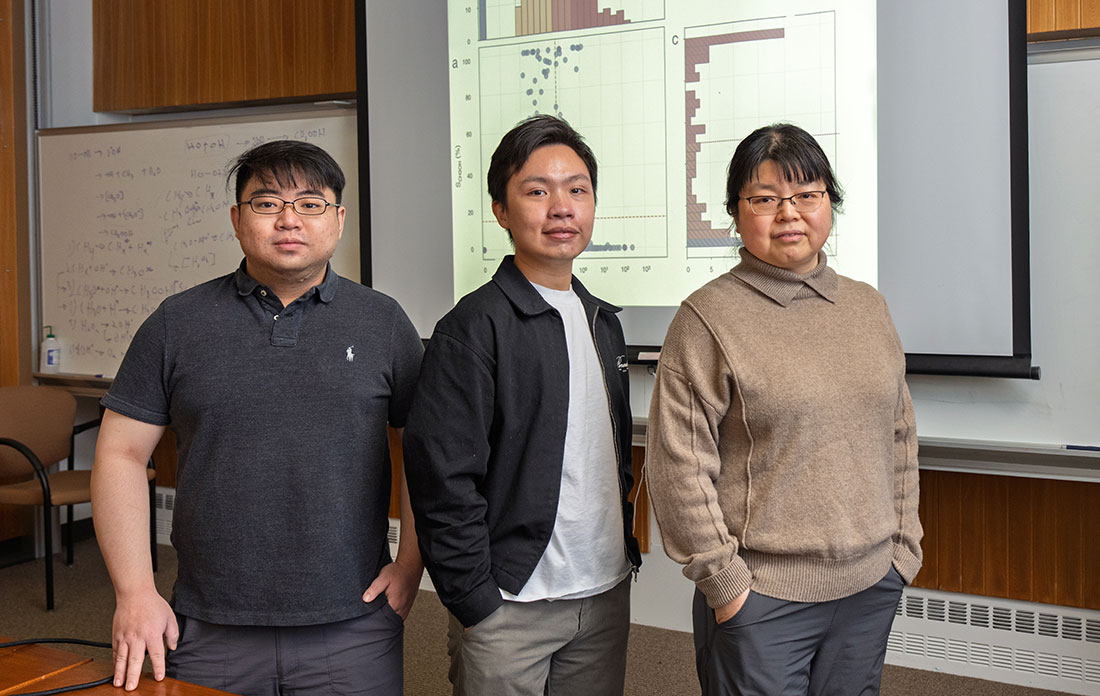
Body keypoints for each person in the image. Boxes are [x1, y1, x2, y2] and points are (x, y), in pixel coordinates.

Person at [91, 140, 424, 695]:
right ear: (237, 220)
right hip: (206, 623)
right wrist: (135, 592)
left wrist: (411, 563)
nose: (289, 219)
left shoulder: (383, 322)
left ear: (338, 220)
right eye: (266, 203)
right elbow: (121, 454)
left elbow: (422, 454)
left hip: (353, 619)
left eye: (310, 204)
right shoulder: (177, 322)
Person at [645, 123, 922, 696]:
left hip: (870, 585)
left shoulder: (868, 307)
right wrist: (728, 587)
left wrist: (902, 550)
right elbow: (678, 467)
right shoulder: (706, 318)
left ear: (830, 203)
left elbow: (899, 436)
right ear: (736, 212)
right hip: (762, 597)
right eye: (765, 199)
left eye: (806, 195)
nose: (788, 214)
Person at [402, 115, 642, 696]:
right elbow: (442, 479)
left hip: (604, 593)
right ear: (501, 210)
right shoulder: (472, 327)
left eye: (577, 189)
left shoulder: (601, 320)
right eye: (537, 191)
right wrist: (475, 599)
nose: (561, 207)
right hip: (509, 603)